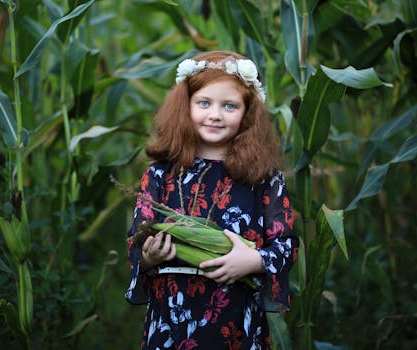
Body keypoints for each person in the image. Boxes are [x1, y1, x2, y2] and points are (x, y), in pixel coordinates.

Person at [125, 50, 299, 349]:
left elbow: (286, 245)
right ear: (185, 106)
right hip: (171, 320)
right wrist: (148, 255)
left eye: (229, 106)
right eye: (204, 103)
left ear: (248, 114)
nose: (215, 114)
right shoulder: (160, 175)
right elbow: (137, 240)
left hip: (235, 321)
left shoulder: (264, 179)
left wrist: (254, 260)